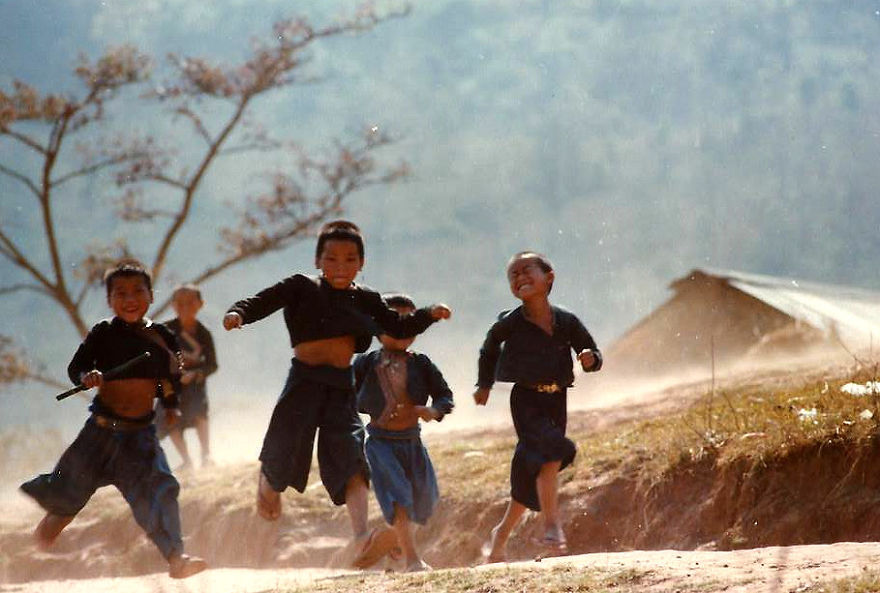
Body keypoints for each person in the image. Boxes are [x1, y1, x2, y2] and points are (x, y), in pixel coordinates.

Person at [222, 220, 451, 566]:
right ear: (317, 260)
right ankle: (268, 484)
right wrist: (238, 313)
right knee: (283, 450)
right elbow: (263, 301)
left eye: (349, 259)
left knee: (351, 459)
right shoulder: (301, 286)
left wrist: (428, 315)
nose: (340, 267)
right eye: (331, 259)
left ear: (361, 263)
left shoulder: (367, 299)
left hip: (341, 386)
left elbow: (397, 326)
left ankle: (361, 537)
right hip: (304, 382)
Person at [19, 260, 207, 579]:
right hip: (99, 436)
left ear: (150, 295)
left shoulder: (162, 335)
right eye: (120, 293)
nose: (130, 299)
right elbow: (76, 367)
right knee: (67, 501)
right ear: (109, 300)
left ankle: (177, 556)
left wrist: (171, 405)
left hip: (140, 437)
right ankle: (44, 535)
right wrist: (87, 376)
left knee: (160, 491)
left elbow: (169, 378)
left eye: (137, 291)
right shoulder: (103, 333)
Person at [472, 251, 602, 563]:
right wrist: (484, 384)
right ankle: (552, 526)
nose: (520, 277)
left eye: (526, 270)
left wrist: (590, 359)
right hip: (526, 400)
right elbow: (489, 348)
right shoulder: (510, 323)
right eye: (513, 275)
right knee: (555, 451)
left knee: (537, 469)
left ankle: (500, 537)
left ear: (549, 277)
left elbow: (592, 350)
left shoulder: (567, 321)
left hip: (557, 399)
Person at [353, 293, 454, 572]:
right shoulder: (365, 363)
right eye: (392, 324)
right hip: (381, 443)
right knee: (399, 496)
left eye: (408, 324)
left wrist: (434, 410)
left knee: (425, 499)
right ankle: (412, 559)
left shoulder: (421, 364)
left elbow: (445, 395)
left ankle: (392, 543)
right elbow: (344, 395)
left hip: (412, 441)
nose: (401, 332)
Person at [156, 284, 218, 471]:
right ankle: (186, 460)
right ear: (173, 305)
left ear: (200, 304)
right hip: (170, 384)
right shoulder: (165, 330)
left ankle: (206, 455)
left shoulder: (204, 333)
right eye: (180, 303)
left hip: (195, 383)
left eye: (190, 302)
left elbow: (212, 364)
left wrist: (197, 374)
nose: (185, 307)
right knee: (168, 416)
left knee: (199, 411)